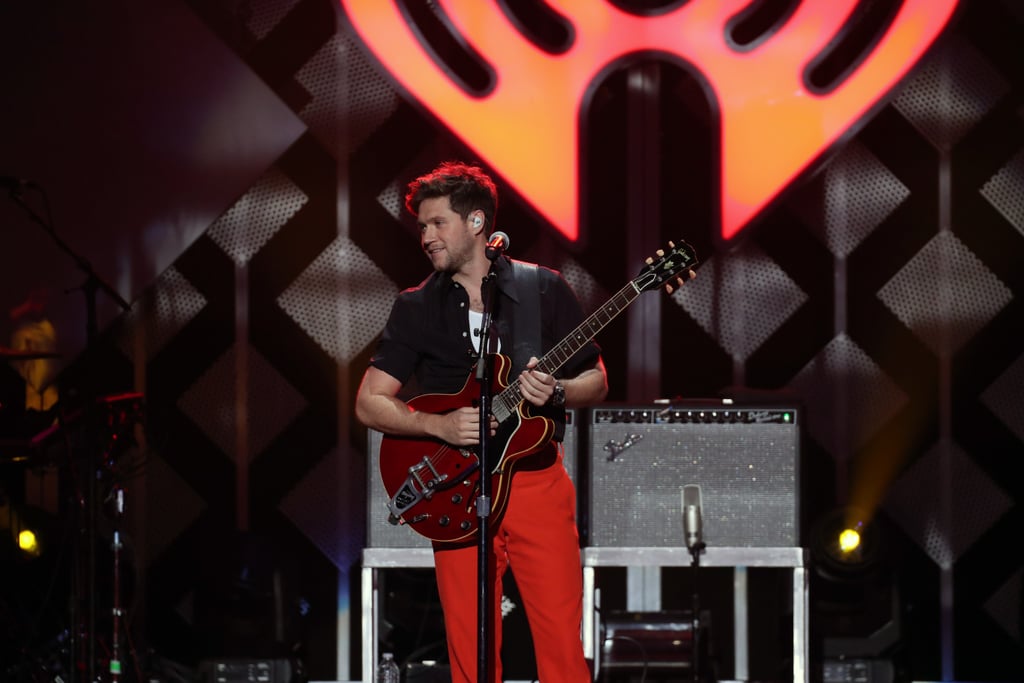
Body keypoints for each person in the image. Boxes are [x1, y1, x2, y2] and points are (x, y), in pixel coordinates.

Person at [355, 161, 607, 682]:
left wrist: (557, 389)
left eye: (437, 223)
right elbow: (369, 403)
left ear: (476, 223)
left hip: (536, 478)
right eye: (421, 226)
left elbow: (597, 380)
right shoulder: (417, 305)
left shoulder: (543, 289)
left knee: (560, 637)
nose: (425, 236)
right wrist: (438, 428)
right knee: (470, 647)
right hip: (457, 486)